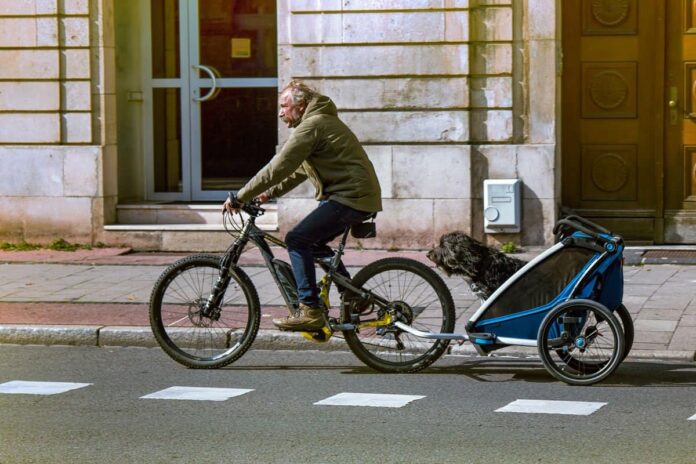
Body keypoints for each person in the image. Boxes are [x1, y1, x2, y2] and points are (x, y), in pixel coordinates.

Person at [223, 80, 382, 331]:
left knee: (297, 239)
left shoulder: (312, 126)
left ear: (301, 105)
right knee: (313, 242)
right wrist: (267, 195)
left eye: (284, 106)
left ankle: (310, 310)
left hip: (351, 196)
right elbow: (298, 171)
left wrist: (239, 196)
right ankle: (352, 294)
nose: (280, 112)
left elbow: (278, 166)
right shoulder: (316, 123)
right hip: (353, 196)